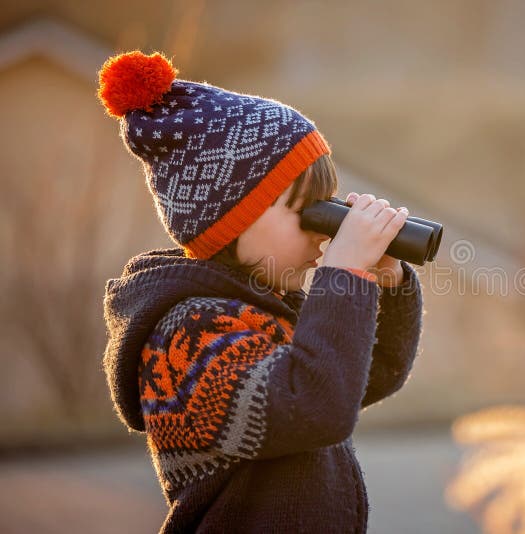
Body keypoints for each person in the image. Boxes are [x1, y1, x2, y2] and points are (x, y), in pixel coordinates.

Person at [100, 51, 424, 533]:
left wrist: (383, 278)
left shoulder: (258, 311)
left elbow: (368, 374)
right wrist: (343, 273)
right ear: (233, 218)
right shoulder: (187, 336)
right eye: (307, 212)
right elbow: (315, 406)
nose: (323, 233)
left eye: (327, 211)